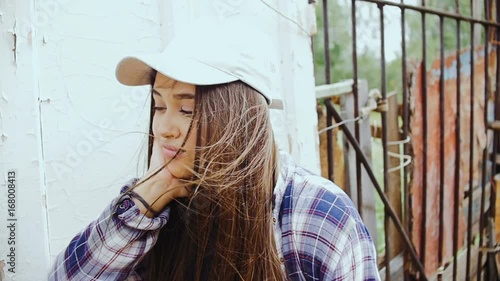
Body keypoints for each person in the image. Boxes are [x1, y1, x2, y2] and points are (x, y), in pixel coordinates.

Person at [48, 17, 380, 281]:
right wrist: (147, 196)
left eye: (187, 109)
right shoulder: (156, 212)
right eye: (159, 107)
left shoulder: (317, 215)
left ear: (240, 118)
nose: (164, 128)